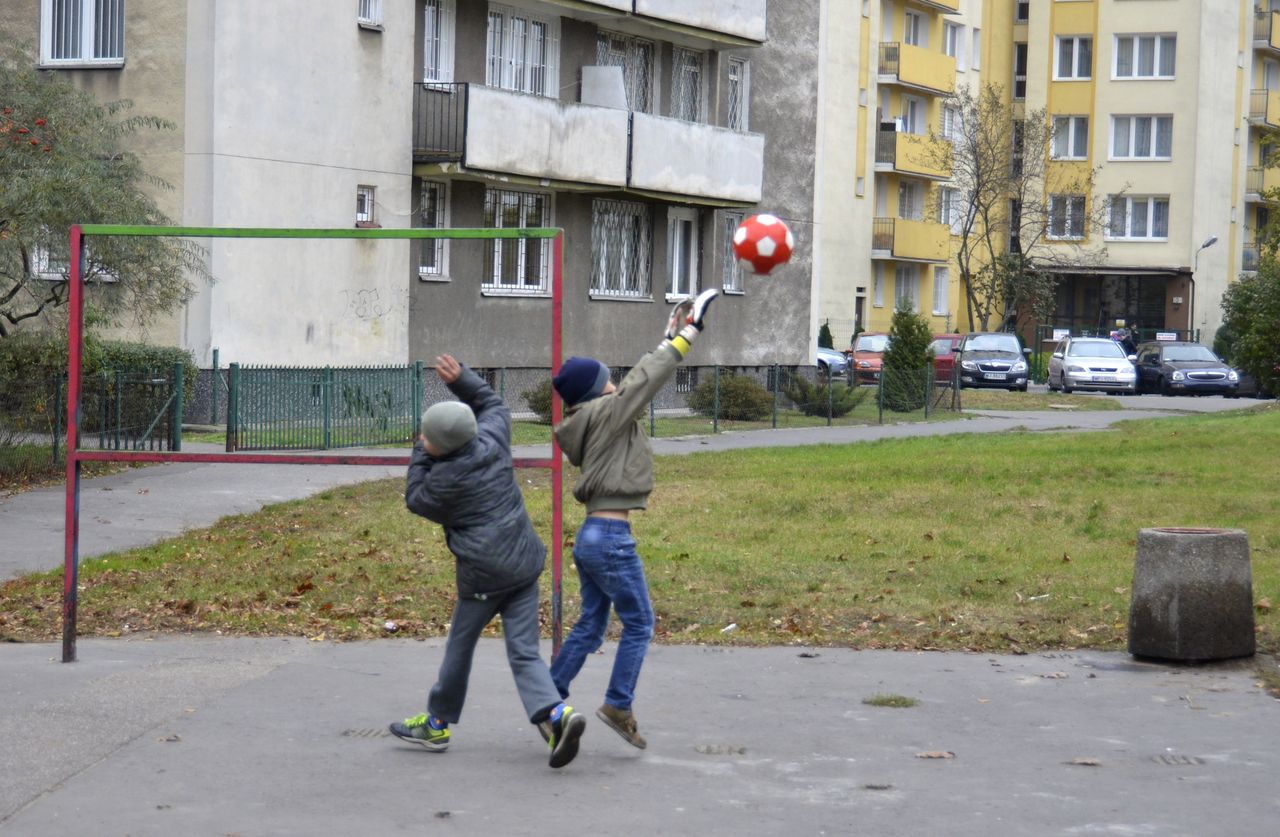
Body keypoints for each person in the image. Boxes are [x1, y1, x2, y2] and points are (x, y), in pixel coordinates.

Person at [389, 354, 586, 769]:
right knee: (524, 652)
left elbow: (415, 497)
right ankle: (557, 713)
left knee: (459, 648)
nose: (422, 440)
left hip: (483, 577)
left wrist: (420, 452)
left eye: (427, 438)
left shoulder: (443, 481)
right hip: (523, 565)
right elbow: (493, 404)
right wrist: (463, 380)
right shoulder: (493, 439)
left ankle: (437, 724)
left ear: (441, 448)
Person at [549, 289, 717, 750]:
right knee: (640, 623)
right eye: (608, 379)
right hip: (610, 537)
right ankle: (618, 704)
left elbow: (637, 380)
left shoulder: (593, 417)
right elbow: (646, 380)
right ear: (597, 389)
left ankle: (548, 698)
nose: (615, 383)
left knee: (591, 624)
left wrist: (664, 339)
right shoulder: (609, 411)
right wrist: (688, 334)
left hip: (592, 535)